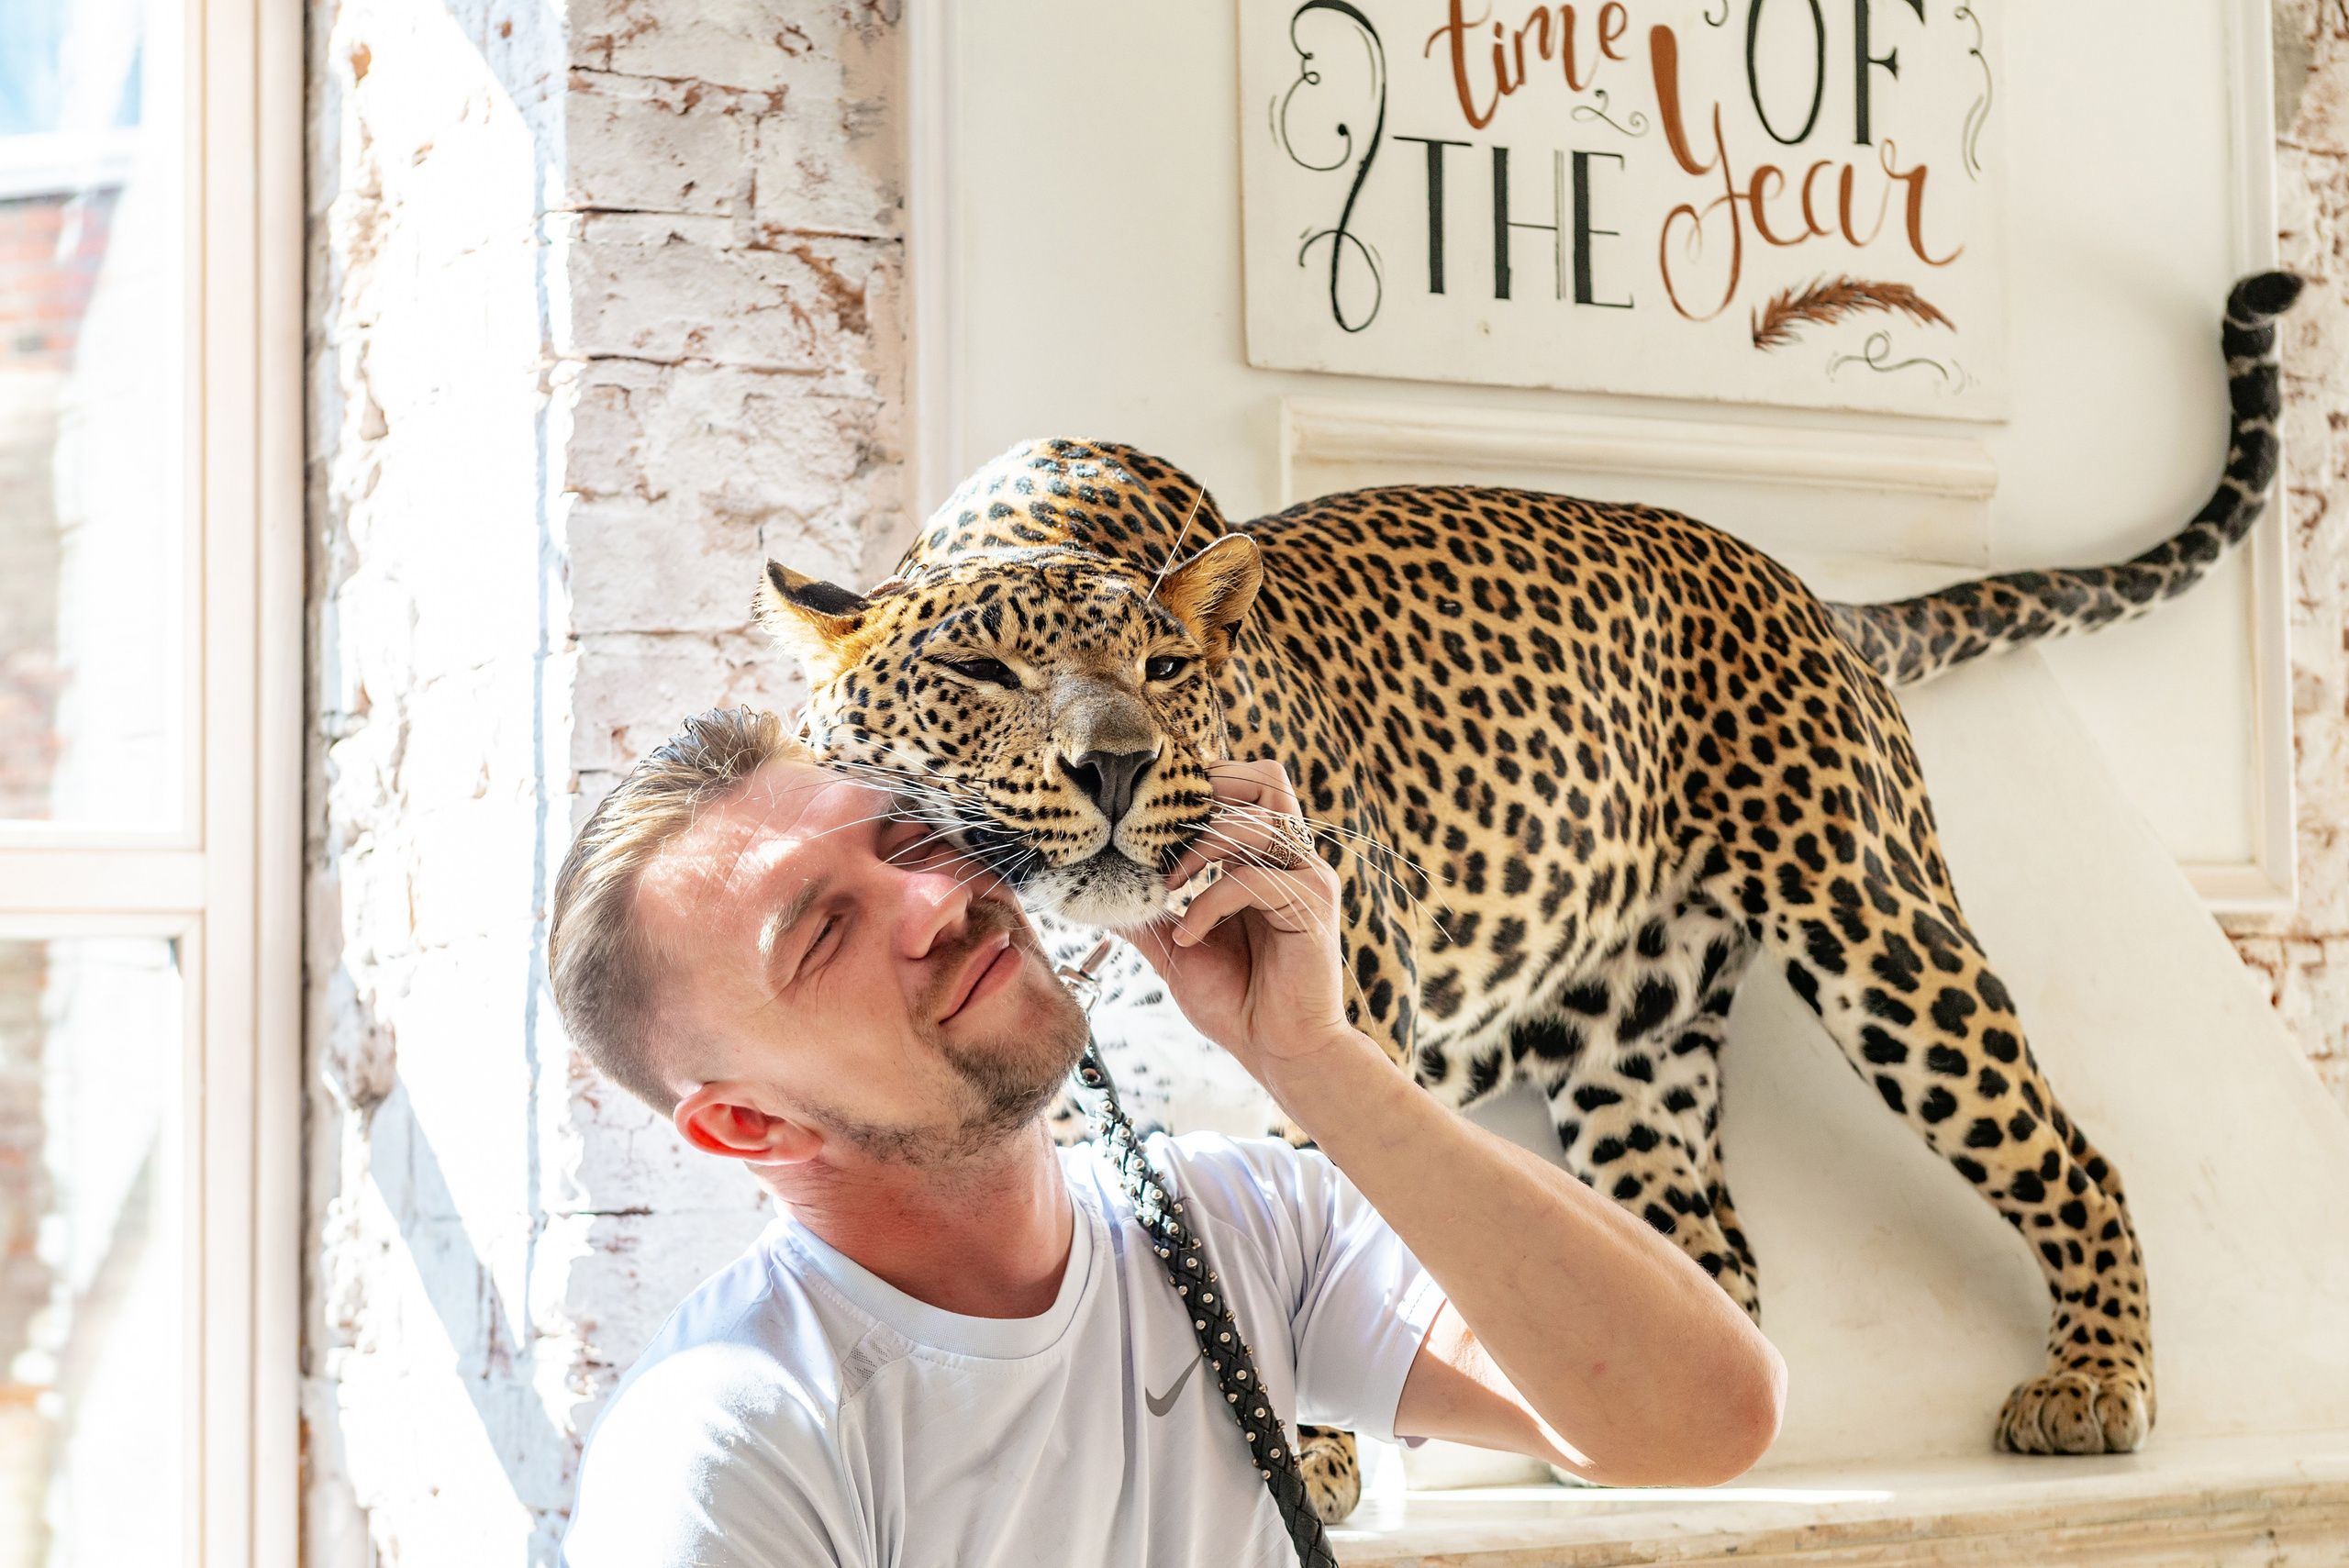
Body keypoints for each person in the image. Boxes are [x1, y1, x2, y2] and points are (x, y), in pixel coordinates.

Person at [550, 707, 1785, 1567]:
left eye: (912, 835)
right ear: (748, 1122)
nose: (938, 896)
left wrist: (1319, 1061)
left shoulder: (1237, 1221)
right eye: (822, 934)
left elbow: (1702, 1414)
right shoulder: (727, 1440)